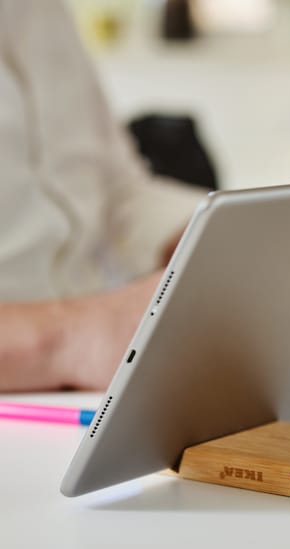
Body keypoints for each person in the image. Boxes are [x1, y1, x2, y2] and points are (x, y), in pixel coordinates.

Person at [0, 0, 208, 391]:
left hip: (96, 391)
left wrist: (228, 233)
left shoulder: (45, 13)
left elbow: (119, 192)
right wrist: (74, 334)